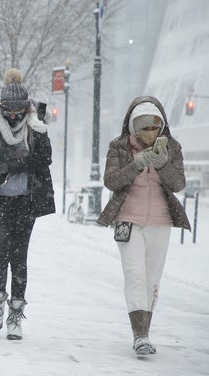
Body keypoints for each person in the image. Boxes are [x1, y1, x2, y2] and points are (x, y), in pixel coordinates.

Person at [97, 96, 190, 356]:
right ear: (132, 126)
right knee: (135, 275)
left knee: (151, 279)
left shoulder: (172, 147)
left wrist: (161, 164)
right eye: (143, 126)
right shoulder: (119, 146)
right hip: (128, 219)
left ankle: (145, 332)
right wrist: (136, 164)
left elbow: (178, 183)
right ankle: (140, 335)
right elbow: (112, 181)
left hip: (161, 222)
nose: (149, 132)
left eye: (154, 126)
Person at [0, 68, 55, 340]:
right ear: (1, 106)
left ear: (26, 107)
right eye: (8, 110)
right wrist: (17, 158)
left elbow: (44, 158)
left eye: (18, 110)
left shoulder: (37, 126)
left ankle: (15, 317)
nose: (13, 115)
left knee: (19, 258)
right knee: (0, 254)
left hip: (26, 202)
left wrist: (9, 160)